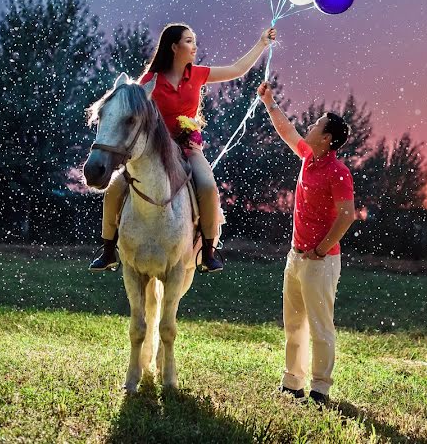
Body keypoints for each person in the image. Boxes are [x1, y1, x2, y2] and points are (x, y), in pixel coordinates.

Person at [89, 23, 276, 273]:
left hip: (188, 148)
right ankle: (109, 250)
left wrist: (262, 43)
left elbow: (237, 70)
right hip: (154, 151)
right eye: (189, 41)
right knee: (115, 188)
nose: (194, 46)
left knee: (208, 187)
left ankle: (208, 252)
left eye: (194, 40)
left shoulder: (197, 74)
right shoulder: (149, 82)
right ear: (174, 47)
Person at [257, 81, 356, 405]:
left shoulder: (339, 172)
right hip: (295, 257)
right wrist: (270, 102)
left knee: (320, 326)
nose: (309, 126)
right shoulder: (307, 158)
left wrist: (320, 249)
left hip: (320, 261)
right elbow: (288, 132)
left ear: (327, 138)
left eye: (316, 125)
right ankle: (292, 383)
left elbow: (347, 215)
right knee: (294, 323)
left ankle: (321, 389)